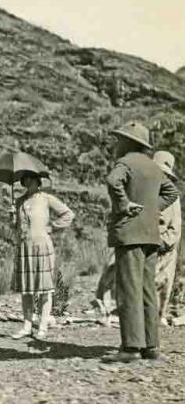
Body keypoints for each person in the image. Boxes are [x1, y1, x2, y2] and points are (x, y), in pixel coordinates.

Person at [102, 121, 179, 363]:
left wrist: (124, 205)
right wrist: (151, 210)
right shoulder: (154, 167)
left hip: (130, 235)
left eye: (120, 138)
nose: (116, 143)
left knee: (128, 289)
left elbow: (112, 181)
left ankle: (131, 348)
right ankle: (151, 346)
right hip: (151, 237)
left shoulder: (125, 162)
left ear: (128, 142)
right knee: (147, 290)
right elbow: (172, 193)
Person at [10, 172, 74, 340]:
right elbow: (16, 228)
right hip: (25, 247)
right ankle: (27, 326)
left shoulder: (46, 198)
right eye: (25, 179)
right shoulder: (19, 201)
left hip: (42, 246)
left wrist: (53, 226)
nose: (28, 181)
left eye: (31, 178)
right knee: (27, 289)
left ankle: (43, 326)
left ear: (37, 180)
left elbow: (68, 214)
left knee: (45, 289)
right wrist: (12, 217)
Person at [153, 151, 182, 324]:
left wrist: (162, 242)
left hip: (164, 250)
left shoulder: (173, 198)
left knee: (161, 284)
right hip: (147, 245)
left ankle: (157, 319)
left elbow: (175, 229)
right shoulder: (147, 191)